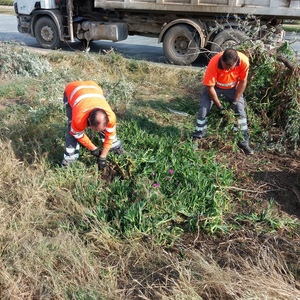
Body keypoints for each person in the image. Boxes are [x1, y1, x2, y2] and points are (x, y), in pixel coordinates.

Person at [191, 48, 254, 155]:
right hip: (215, 87)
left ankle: (243, 142)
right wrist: (219, 106)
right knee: (203, 111)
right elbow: (209, 87)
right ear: (222, 60)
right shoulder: (214, 63)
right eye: (225, 67)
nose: (227, 70)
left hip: (233, 88)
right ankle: (197, 137)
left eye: (230, 68)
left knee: (240, 112)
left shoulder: (243, 61)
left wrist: (235, 101)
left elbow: (243, 81)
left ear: (236, 62)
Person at [61, 80, 124, 169]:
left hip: (93, 87)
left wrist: (103, 156)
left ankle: (115, 148)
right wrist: (93, 148)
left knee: (106, 130)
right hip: (72, 89)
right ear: (88, 120)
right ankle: (69, 160)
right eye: (95, 129)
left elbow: (110, 136)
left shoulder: (111, 117)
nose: (98, 131)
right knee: (72, 129)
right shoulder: (79, 119)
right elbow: (77, 134)